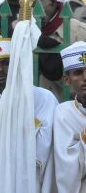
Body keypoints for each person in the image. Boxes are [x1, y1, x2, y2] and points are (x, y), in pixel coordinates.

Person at [0, 36, 57, 193]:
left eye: (6, 63)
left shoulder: (42, 99)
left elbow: (48, 147)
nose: (0, 70)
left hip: (30, 179)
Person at [54, 41, 86, 192]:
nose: (85, 77)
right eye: (78, 72)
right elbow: (66, 167)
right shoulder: (63, 114)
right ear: (66, 80)